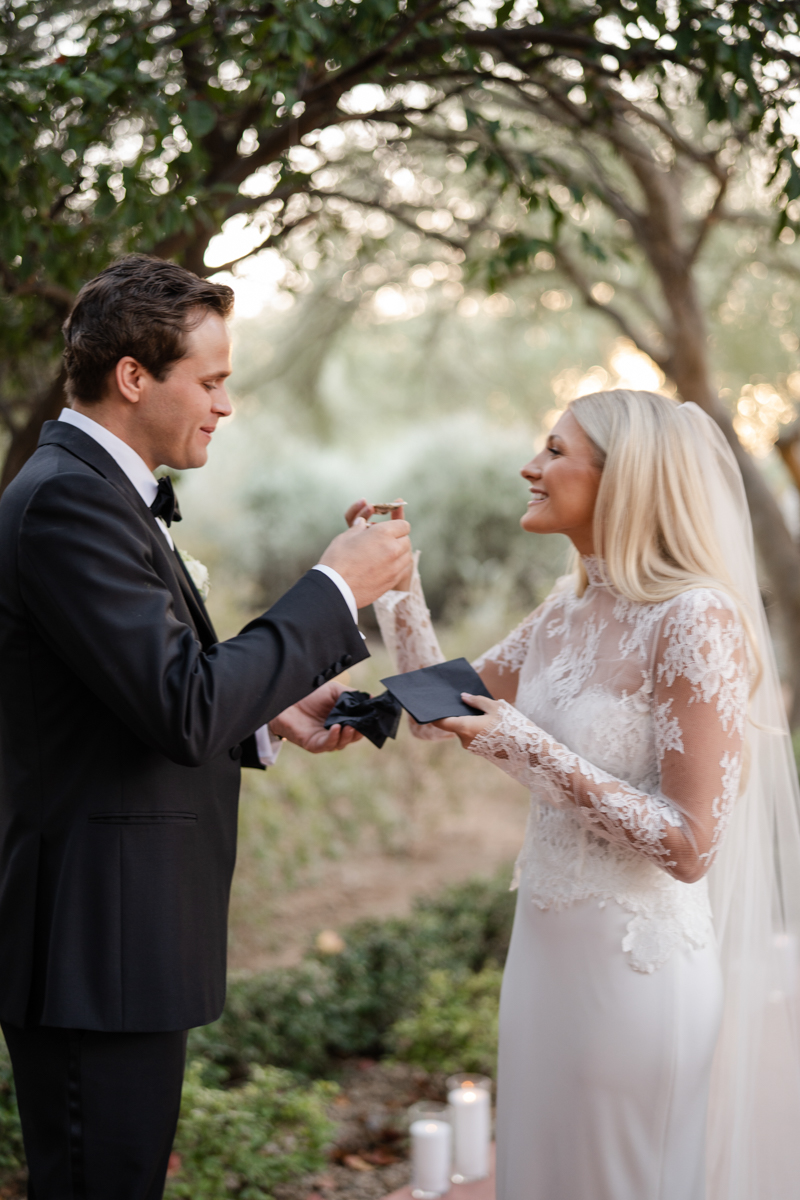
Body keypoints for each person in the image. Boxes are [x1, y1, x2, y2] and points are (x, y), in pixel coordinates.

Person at [0, 254, 412, 1200]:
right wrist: (337, 587)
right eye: (212, 380)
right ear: (133, 377)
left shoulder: (99, 494)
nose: (226, 405)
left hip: (122, 946)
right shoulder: (68, 500)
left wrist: (271, 708)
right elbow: (181, 704)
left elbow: (148, 693)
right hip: (92, 951)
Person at [366, 389, 800, 1200]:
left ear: (625, 478)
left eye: (556, 450)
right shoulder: (566, 609)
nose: (531, 466)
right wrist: (396, 585)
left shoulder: (694, 617)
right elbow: (438, 711)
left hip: (636, 976)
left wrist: (524, 745)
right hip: (544, 960)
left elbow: (691, 845)